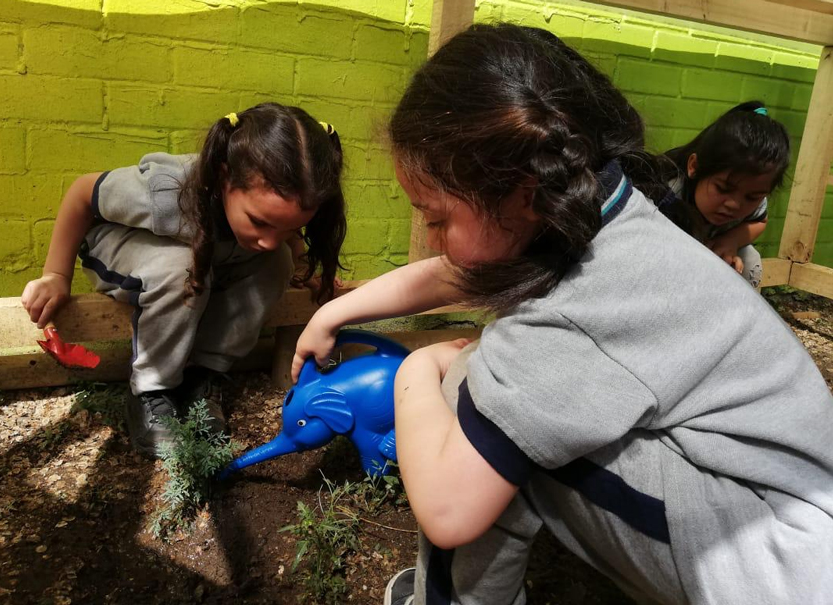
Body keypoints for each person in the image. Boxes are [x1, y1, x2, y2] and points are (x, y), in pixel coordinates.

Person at [291, 24, 833, 605]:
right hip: (794, 511)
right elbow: (464, 269)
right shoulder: (611, 213)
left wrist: (416, 372)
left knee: (469, 393)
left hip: (780, 564)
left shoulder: (579, 310)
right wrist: (334, 313)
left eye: (435, 217)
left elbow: (449, 509)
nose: (434, 238)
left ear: (521, 193)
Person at [22, 102, 346, 457]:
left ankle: (202, 378)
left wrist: (302, 265)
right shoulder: (165, 193)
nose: (271, 238)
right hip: (120, 248)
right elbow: (82, 194)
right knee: (183, 267)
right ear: (224, 179)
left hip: (203, 252)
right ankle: (150, 389)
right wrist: (55, 274)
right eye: (260, 222)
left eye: (287, 227)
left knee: (275, 261)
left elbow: (279, 232)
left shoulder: (268, 220)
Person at [658, 101, 790, 287]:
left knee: (749, 259)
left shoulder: (753, 190)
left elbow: (760, 221)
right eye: (723, 188)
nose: (734, 205)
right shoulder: (669, 193)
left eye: (752, 197)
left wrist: (731, 240)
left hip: (710, 248)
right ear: (694, 167)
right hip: (665, 257)